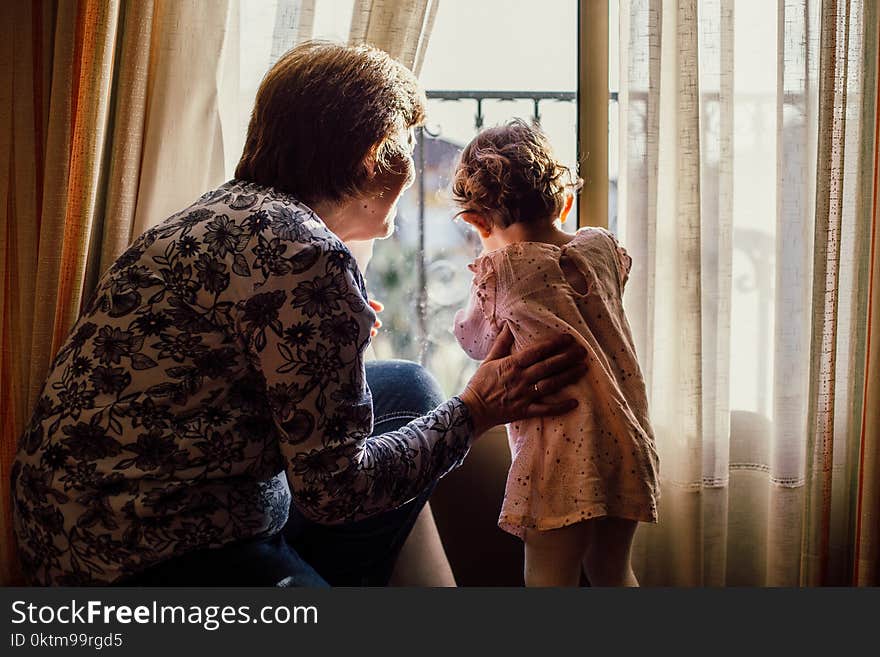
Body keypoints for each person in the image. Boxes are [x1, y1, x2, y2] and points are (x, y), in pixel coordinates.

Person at [10, 43, 588, 586]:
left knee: (407, 387)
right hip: (157, 556)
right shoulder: (308, 255)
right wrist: (478, 409)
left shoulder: (219, 212)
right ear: (372, 156)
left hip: (63, 523)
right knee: (422, 420)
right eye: (406, 149)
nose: (411, 169)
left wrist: (332, 338)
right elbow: (336, 490)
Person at [451, 120, 659, 587]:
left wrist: (475, 299)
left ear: (476, 222)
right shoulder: (601, 247)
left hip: (560, 456)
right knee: (612, 570)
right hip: (625, 438)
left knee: (549, 577)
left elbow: (477, 342)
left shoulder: (501, 269)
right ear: (564, 201)